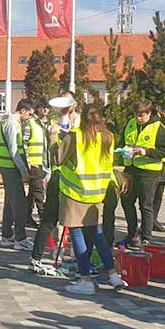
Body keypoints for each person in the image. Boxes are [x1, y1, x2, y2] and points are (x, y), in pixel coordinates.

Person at [59, 103, 128, 295]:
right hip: (97, 192)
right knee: (98, 233)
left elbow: (58, 158)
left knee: (77, 234)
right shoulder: (108, 137)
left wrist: (54, 137)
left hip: (75, 192)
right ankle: (113, 275)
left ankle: (85, 279)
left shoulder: (76, 136)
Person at [29, 91, 77, 276]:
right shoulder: (54, 124)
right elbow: (54, 153)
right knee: (49, 219)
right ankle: (36, 258)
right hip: (58, 176)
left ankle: (74, 256)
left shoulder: (80, 123)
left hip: (75, 178)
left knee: (76, 222)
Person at [119, 100, 165, 245]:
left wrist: (145, 151)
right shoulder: (130, 123)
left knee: (146, 205)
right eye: (136, 115)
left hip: (149, 172)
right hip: (130, 169)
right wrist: (124, 151)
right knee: (126, 201)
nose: (138, 118)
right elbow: (122, 142)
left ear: (149, 113)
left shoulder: (158, 127)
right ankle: (132, 234)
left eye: (142, 115)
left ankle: (147, 237)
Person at [0, 99, 35, 250]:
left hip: (7, 165)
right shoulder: (12, 123)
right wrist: (23, 169)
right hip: (10, 167)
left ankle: (6, 236)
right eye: (29, 114)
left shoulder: (10, 122)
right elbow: (14, 150)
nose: (29, 117)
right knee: (19, 203)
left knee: (10, 203)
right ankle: (20, 238)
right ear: (22, 111)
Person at [26, 101, 50, 227]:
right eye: (43, 107)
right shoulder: (31, 122)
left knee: (33, 191)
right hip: (34, 162)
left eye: (47, 108)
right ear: (38, 108)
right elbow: (24, 142)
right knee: (38, 190)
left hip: (44, 161)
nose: (46, 109)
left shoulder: (48, 123)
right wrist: (28, 161)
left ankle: (26, 216)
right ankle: (43, 217)